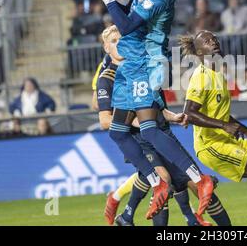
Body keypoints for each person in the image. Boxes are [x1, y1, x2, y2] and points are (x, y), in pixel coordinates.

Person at [84, 0, 215, 218]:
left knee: (149, 129)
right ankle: (156, 183)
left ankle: (199, 179)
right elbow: (128, 15)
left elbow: (127, 26)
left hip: (147, 62)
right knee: (119, 131)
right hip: (134, 65)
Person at [94, 26, 230, 226]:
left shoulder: (139, 69)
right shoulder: (107, 79)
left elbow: (155, 106)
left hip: (161, 133)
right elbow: (105, 120)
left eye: (122, 39)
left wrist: (172, 116)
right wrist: (137, 121)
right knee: (164, 182)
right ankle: (129, 213)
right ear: (106, 48)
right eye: (114, 42)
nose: (120, 45)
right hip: (140, 139)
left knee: (193, 184)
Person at [181, 30, 247, 226]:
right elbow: (189, 112)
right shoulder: (200, 76)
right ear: (199, 52)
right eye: (206, 41)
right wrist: (224, 125)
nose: (213, 41)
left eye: (213, 38)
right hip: (210, 145)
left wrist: (246, 130)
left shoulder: (219, 75)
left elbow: (220, 113)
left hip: (227, 138)